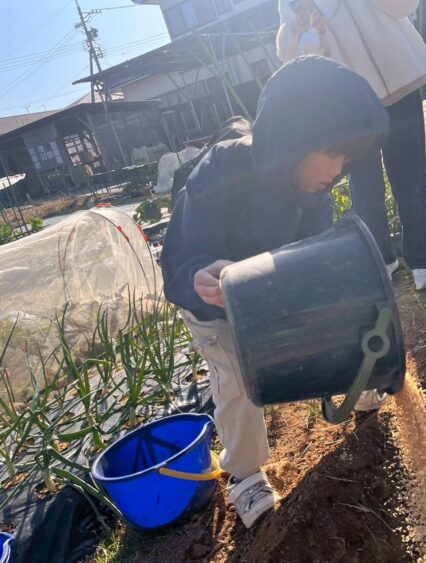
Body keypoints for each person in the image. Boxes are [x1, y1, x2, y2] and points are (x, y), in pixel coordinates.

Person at [160, 56, 389, 528]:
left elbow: (314, 265)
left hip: (269, 292)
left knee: (329, 320)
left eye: (347, 159)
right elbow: (180, 259)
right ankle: (244, 474)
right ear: (292, 138)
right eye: (331, 152)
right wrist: (199, 275)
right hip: (213, 303)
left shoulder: (315, 197)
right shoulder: (222, 169)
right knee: (236, 379)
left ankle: (353, 384)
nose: (337, 169)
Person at [277, 0, 426, 291]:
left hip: (400, 78)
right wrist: (298, 30)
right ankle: (382, 259)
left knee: (411, 178)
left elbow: (405, 7)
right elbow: (291, 55)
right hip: (349, 102)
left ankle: (423, 261)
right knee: (365, 187)